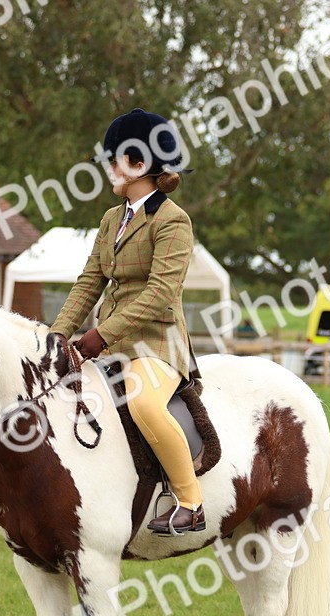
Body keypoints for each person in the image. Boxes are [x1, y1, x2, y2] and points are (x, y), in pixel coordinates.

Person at [49, 109, 203, 535]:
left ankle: (190, 501)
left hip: (156, 343)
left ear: (138, 164)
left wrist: (101, 333)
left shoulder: (173, 221)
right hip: (111, 342)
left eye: (113, 159)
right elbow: (89, 282)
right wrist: (57, 334)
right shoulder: (111, 220)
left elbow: (159, 295)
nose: (107, 168)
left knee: (144, 403)